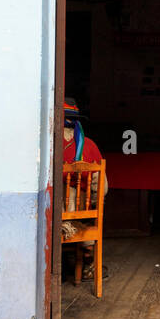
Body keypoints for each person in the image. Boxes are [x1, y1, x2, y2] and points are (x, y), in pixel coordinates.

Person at [62, 99, 108, 281]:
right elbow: (103, 186)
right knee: (90, 207)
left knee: (64, 194)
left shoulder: (51, 144)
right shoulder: (89, 145)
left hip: (63, 214)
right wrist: (92, 207)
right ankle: (88, 259)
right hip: (85, 211)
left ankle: (67, 257)